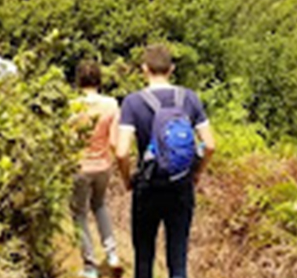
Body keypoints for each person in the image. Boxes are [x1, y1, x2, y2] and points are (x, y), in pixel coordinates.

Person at [113, 44, 216, 278]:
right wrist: (197, 174)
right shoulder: (190, 98)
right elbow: (210, 145)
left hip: (147, 187)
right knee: (177, 260)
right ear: (172, 69)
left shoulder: (132, 102)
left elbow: (121, 152)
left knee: (144, 258)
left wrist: (128, 179)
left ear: (144, 69)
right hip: (181, 186)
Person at [69, 60, 123, 278]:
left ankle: (90, 266)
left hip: (81, 166)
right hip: (103, 166)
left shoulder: (73, 106)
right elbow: (113, 142)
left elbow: (69, 141)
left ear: (78, 79)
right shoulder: (111, 104)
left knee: (79, 214)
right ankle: (112, 255)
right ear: (99, 79)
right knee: (100, 206)